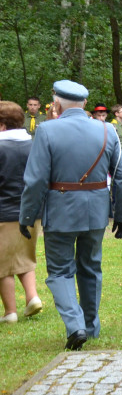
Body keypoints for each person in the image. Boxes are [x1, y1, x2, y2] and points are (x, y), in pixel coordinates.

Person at [19, 81, 122, 349]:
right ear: (84, 104)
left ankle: (75, 325)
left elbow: (35, 181)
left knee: (59, 272)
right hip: (96, 211)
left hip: (60, 210)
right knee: (91, 267)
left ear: (56, 104)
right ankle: (90, 326)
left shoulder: (46, 130)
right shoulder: (107, 130)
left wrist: (26, 216)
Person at [0, 101, 43, 324]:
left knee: (2, 265)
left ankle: (10, 313)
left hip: (3, 213)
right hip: (32, 212)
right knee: (25, 257)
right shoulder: (33, 145)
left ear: (2, 125)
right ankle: (32, 297)